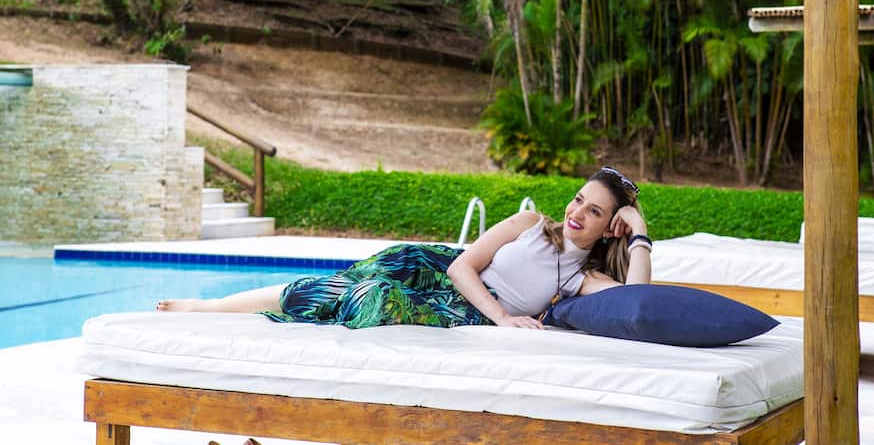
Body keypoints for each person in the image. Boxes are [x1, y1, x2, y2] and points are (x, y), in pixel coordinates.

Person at [157, 166, 651, 329]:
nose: (577, 212)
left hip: (462, 310)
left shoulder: (581, 279)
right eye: (578, 199)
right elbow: (463, 264)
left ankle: (245, 313)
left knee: (369, 295)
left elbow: (638, 306)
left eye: (594, 212)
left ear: (609, 228)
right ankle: (210, 306)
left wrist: (640, 228)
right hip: (442, 270)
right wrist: (504, 318)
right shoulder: (528, 222)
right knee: (372, 268)